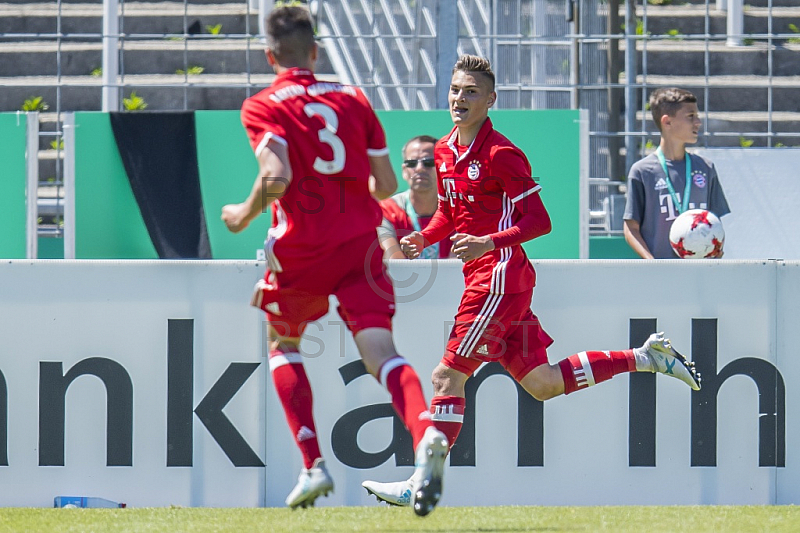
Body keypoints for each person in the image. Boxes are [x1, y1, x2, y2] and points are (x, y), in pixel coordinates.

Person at [362, 55, 702, 506]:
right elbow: (450, 213)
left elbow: (540, 221)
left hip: (499, 277)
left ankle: (420, 483)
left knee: (446, 376)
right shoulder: (443, 151)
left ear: (490, 100)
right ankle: (646, 356)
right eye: (456, 90)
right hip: (492, 277)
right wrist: (423, 236)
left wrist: (487, 242)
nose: (460, 99)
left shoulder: (502, 153)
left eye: (471, 92)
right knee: (542, 384)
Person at [221, 5, 447, 516]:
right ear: (316, 51)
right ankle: (425, 429)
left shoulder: (263, 105)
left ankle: (313, 464)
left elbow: (275, 177)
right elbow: (388, 185)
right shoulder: (352, 98)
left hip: (301, 246)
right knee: (382, 352)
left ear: (270, 55)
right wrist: (347, 196)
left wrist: (242, 212)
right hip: (359, 244)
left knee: (283, 340)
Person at [624, 87, 731, 259]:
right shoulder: (642, 172)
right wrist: (651, 262)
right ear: (667, 122)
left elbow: (715, 222)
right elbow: (631, 228)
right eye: (691, 116)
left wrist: (715, 250)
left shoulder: (705, 168)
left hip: (699, 273)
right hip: (660, 275)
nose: (698, 122)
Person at [378, 135, 455, 260]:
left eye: (429, 163)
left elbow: (457, 270)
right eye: (412, 163)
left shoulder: (460, 210)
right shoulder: (386, 211)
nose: (419, 168)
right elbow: (396, 267)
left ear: (443, 168)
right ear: (404, 171)